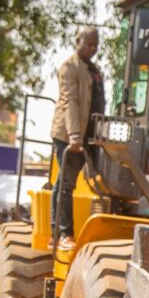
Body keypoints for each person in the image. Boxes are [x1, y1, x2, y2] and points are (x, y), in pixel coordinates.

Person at [51, 25, 102, 251]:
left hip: (90, 136)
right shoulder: (69, 67)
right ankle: (61, 232)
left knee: (101, 182)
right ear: (78, 41)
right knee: (66, 183)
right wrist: (74, 136)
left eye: (95, 45)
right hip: (69, 135)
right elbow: (70, 101)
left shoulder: (94, 69)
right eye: (88, 43)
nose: (92, 48)